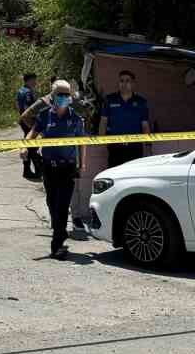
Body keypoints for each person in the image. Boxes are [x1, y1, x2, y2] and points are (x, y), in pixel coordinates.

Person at [27, 80, 86, 259]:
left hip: (67, 167)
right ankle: (60, 231)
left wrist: (82, 163)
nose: (63, 97)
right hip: (49, 167)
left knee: (62, 205)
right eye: (59, 94)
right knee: (52, 203)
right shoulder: (45, 115)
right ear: (52, 96)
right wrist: (24, 146)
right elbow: (33, 133)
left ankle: (57, 245)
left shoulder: (75, 118)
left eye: (66, 94)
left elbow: (82, 142)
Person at [99, 69, 153, 170]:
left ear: (133, 83)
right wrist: (101, 143)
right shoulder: (109, 99)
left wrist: (148, 146)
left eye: (127, 81)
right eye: (121, 81)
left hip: (135, 147)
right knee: (114, 175)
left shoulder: (141, 102)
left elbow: (145, 125)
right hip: (115, 147)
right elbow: (103, 122)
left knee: (133, 174)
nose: (124, 83)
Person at [16, 73, 41, 181]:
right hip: (29, 121)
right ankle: (33, 170)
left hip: (23, 120)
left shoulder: (20, 91)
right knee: (32, 147)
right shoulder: (28, 93)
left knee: (30, 146)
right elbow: (28, 108)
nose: (35, 82)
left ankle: (29, 170)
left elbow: (18, 105)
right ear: (29, 80)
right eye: (34, 80)